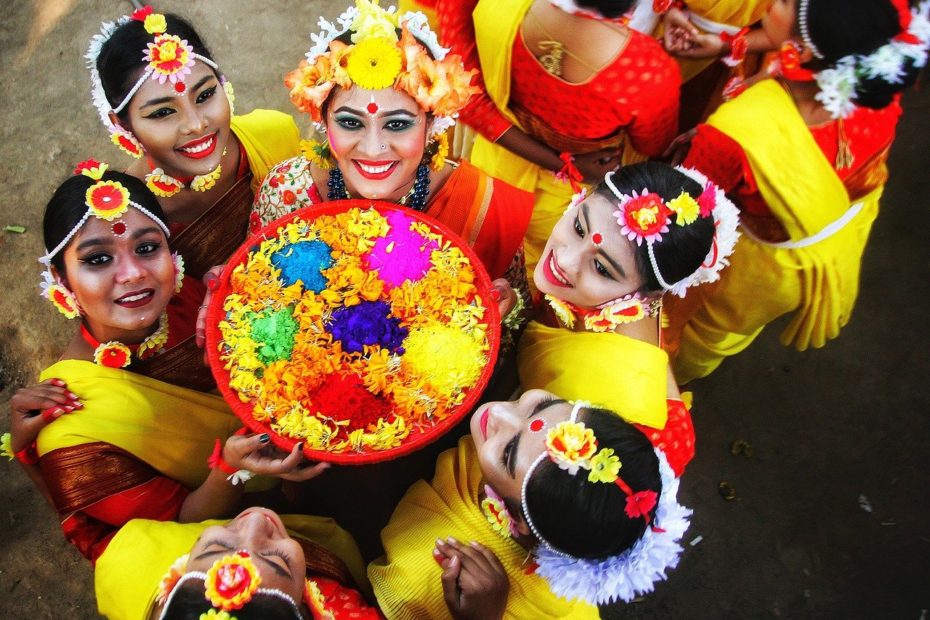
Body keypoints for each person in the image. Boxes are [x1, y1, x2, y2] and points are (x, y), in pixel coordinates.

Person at [7, 163, 325, 565]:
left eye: (146, 248)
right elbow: (175, 523)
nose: (133, 274)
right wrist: (230, 467)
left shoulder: (191, 298)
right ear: (61, 278)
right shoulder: (72, 428)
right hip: (234, 536)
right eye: (98, 259)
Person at [664, 0, 930, 383]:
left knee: (698, 328)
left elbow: (684, 215)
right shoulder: (874, 84)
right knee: (723, 336)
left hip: (753, 268)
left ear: (801, 51)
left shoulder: (733, 133)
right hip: (819, 252)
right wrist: (728, 45)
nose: (772, 2)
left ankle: (670, 378)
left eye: (787, 3)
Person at [87, 6, 303, 387]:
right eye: (163, 112)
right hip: (210, 365)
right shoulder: (119, 217)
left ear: (223, 83)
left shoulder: (273, 135)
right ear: (122, 125)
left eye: (205, 95)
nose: (196, 124)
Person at [252, 0, 533, 284]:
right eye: (350, 123)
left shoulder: (485, 210)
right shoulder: (288, 194)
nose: (373, 149)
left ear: (432, 124)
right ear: (324, 122)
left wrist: (506, 308)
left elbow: (518, 320)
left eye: (397, 124)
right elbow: (252, 294)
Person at [368, 388, 693, 618]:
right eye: (541, 406)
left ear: (517, 518)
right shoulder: (534, 466)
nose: (498, 412)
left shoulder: (422, 578)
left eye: (508, 453)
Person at [432, 0, 682, 277]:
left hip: (492, 170)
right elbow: (653, 144)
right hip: (566, 202)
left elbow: (463, 96)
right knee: (535, 275)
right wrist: (568, 165)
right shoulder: (647, 72)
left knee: (469, 254)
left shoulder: (497, 8)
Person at [516, 162, 738, 431]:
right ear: (583, 197)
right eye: (578, 227)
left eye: (601, 268)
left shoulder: (599, 394)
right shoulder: (609, 297)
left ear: (648, 294)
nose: (565, 260)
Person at [96, 508, 377, 619]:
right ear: (307, 608)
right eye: (277, 560)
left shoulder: (126, 556)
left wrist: (225, 471)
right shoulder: (346, 611)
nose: (255, 520)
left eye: (217, 546)